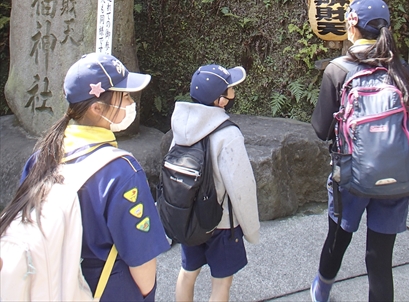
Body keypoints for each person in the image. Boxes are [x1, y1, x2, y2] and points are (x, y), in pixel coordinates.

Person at [0, 52, 170, 301]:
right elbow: (142, 261)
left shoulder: (41, 158)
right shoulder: (121, 170)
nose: (130, 101)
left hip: (50, 286)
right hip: (108, 291)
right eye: (123, 96)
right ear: (97, 108)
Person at [310, 0, 409, 302]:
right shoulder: (404, 71)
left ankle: (322, 289)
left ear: (351, 25)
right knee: (379, 259)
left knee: (337, 240)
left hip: (352, 177)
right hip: (398, 180)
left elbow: (320, 129)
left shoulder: (338, 70)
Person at [172, 64, 260, 302]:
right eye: (230, 90)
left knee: (187, 273)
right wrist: (252, 230)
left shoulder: (180, 127)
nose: (233, 94)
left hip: (190, 218)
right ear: (220, 101)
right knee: (221, 284)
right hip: (220, 222)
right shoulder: (228, 134)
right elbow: (241, 187)